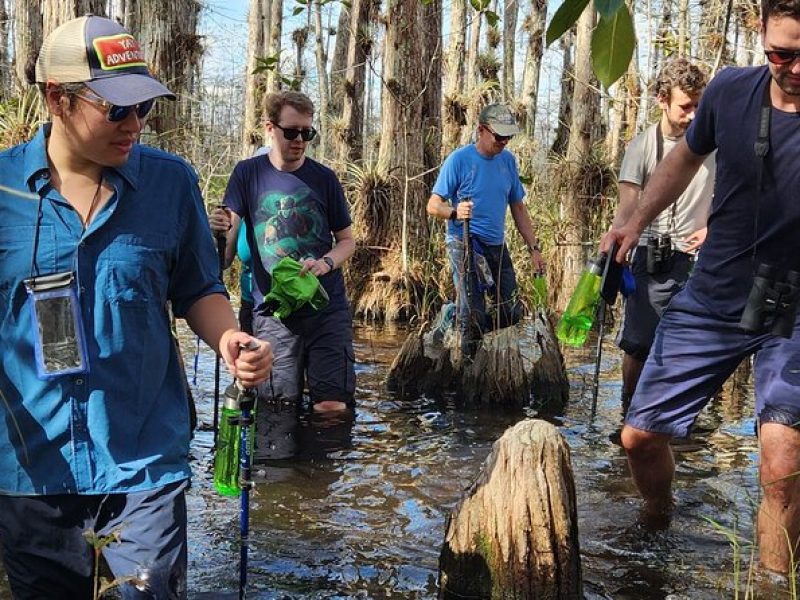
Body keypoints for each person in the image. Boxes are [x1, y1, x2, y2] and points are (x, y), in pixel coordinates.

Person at [0, 16, 273, 598]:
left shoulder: (170, 183)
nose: (134, 126)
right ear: (58, 98)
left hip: (144, 458)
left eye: (144, 108)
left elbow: (199, 288)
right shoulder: (3, 193)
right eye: (116, 110)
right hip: (29, 468)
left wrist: (229, 341)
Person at [601, 0, 800, 575]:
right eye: (781, 53)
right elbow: (683, 161)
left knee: (783, 462)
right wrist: (633, 221)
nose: (794, 68)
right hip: (715, 290)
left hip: (794, 308)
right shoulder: (730, 93)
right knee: (637, 436)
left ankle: (770, 583)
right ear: (759, 34)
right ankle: (659, 515)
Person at [210, 91, 356, 415]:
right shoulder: (247, 174)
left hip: (325, 305)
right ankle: (287, 467)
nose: (300, 140)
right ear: (270, 128)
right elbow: (226, 247)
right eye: (292, 132)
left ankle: (324, 467)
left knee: (332, 406)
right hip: (274, 311)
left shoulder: (325, 179)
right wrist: (217, 229)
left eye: (307, 133)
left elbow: (347, 241)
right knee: (277, 408)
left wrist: (325, 263)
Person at [612, 58, 715, 414]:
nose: (693, 115)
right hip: (650, 256)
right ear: (661, 100)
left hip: (698, 262)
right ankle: (630, 410)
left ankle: (677, 419)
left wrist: (711, 226)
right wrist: (619, 235)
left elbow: (740, 189)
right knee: (639, 344)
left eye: (699, 106)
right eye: (686, 106)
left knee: (688, 346)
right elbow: (627, 205)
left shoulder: (713, 144)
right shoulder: (642, 147)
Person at [426, 104, 545, 349]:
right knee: (474, 316)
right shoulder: (459, 159)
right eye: (499, 136)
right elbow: (433, 205)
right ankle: (465, 362)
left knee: (511, 312)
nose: (504, 142)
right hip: (464, 241)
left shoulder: (508, 162)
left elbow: (518, 208)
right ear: (481, 130)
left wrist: (534, 248)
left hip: (495, 244)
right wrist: (454, 212)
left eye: (508, 137)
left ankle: (455, 317)